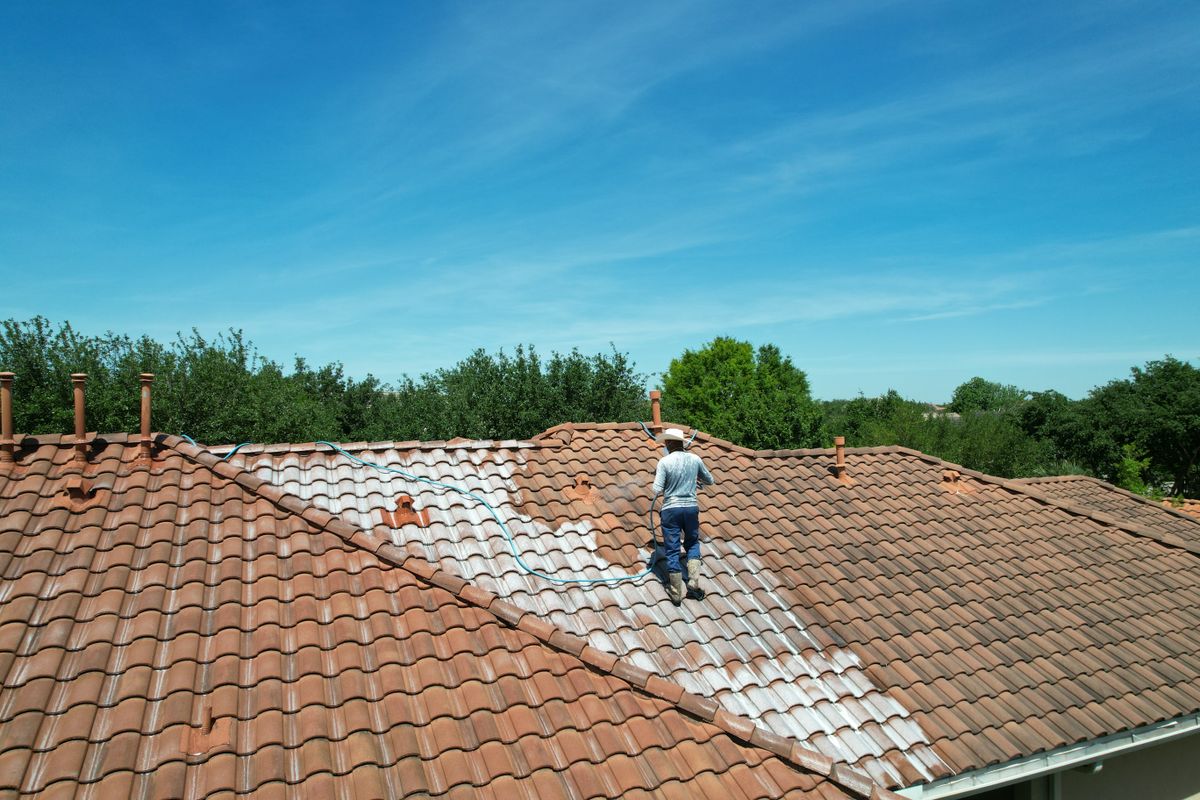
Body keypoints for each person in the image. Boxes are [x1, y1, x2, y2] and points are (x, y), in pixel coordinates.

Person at [653, 427, 715, 605]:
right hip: (690, 508)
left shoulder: (664, 462)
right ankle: (694, 584)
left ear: (670, 443)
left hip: (671, 510)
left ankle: (676, 593)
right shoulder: (695, 459)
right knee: (692, 542)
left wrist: (668, 484)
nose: (665, 445)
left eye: (666, 442)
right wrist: (692, 480)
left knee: (672, 549)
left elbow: (656, 489)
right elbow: (710, 480)